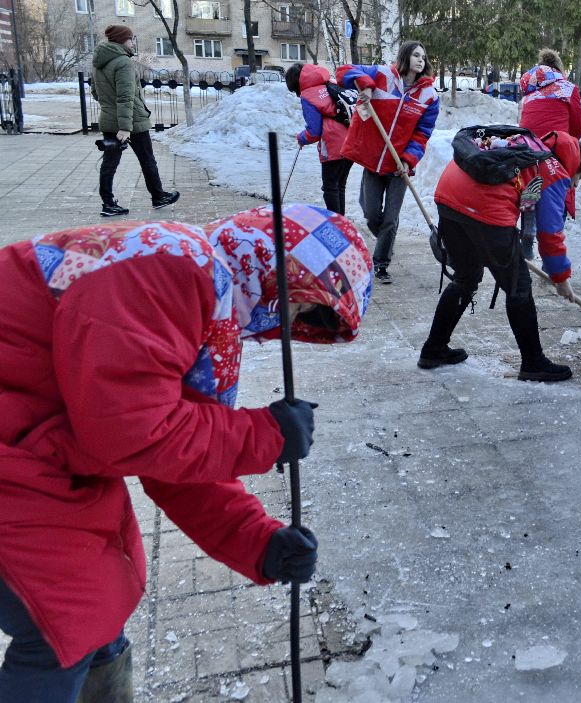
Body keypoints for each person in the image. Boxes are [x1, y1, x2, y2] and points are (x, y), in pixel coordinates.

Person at [0, 204, 373, 701]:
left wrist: (258, 542)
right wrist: (262, 436)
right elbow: (134, 433)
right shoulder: (174, 266)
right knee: (67, 617)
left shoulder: (206, 302)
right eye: (300, 307)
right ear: (281, 273)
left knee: (99, 596)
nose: (288, 322)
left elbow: (171, 452)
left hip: (34, 447)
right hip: (19, 450)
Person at [417, 131, 581, 382]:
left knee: (466, 277)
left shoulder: (528, 145)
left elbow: (528, 203)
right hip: (485, 207)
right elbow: (551, 233)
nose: (576, 184)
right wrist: (561, 277)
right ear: (575, 165)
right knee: (518, 286)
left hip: (449, 195)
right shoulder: (554, 170)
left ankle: (434, 349)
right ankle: (533, 362)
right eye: (580, 178)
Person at [337, 41, 440, 284]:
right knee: (372, 214)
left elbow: (422, 134)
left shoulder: (429, 96)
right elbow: (344, 70)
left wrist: (408, 160)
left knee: (391, 219)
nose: (420, 60)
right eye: (415, 55)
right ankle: (386, 241)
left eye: (423, 57)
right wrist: (366, 86)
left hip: (398, 166)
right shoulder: (382, 75)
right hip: (373, 162)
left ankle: (381, 263)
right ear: (405, 56)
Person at [91, 24, 180, 218]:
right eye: (131, 39)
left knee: (110, 163)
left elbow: (95, 93)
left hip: (110, 119)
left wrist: (110, 110)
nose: (133, 42)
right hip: (132, 121)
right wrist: (124, 127)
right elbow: (125, 97)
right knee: (147, 159)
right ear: (122, 40)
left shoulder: (98, 62)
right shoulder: (123, 62)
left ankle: (108, 203)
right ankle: (158, 197)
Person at [517, 48, 581, 260]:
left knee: (531, 187)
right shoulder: (568, 88)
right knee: (557, 196)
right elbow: (577, 127)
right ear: (558, 69)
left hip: (527, 147)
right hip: (556, 147)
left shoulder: (529, 94)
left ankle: (527, 234)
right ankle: (551, 253)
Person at [285, 63, 353, 216]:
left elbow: (314, 132)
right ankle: (342, 224)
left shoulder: (308, 95)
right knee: (340, 185)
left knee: (330, 188)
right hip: (351, 139)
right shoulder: (330, 82)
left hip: (333, 145)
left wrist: (301, 138)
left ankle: (336, 226)